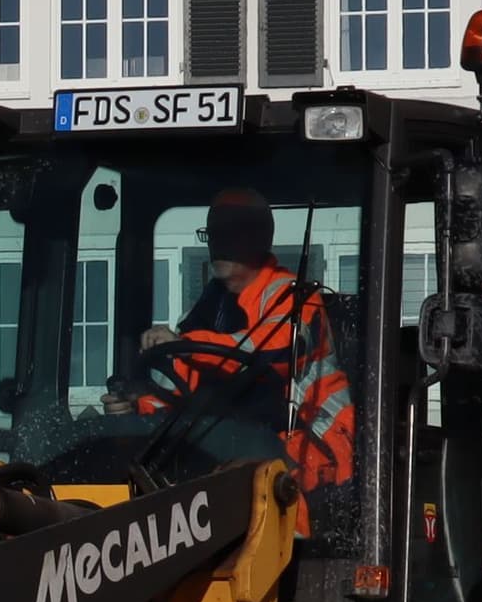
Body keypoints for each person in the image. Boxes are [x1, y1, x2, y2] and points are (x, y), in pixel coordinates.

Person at [124, 189, 357, 495]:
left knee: (247, 490)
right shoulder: (211, 307)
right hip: (240, 441)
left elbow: (267, 352)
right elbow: (182, 382)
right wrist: (138, 407)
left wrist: (183, 341)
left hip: (310, 447)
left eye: (231, 232)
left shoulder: (297, 300)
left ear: (260, 239)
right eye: (214, 233)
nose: (219, 243)